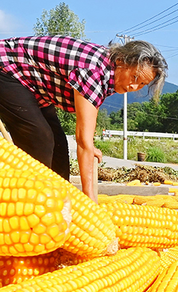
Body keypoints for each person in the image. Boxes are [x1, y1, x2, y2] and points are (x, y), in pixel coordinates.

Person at [0, 36, 167, 202]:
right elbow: (82, 141)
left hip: (35, 87)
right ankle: (33, 205)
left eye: (142, 84)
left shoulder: (108, 71)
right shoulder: (93, 71)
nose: (134, 87)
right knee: (40, 139)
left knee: (59, 146)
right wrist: (90, 200)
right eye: (135, 78)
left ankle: (58, 206)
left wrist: (89, 144)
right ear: (123, 60)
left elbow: (89, 113)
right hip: (6, 68)